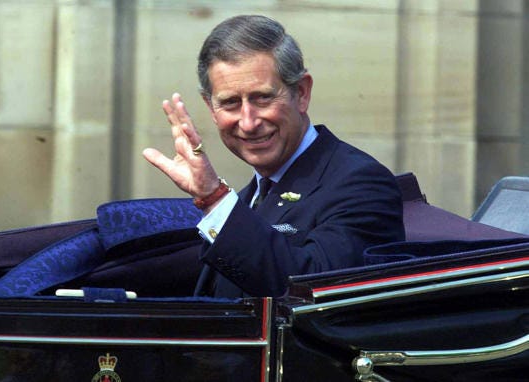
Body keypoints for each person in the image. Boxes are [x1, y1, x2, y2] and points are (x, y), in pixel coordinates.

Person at [142, 15, 405, 298]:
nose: (248, 122)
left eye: (263, 98)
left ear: (301, 93)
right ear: (211, 108)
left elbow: (310, 293)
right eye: (230, 103)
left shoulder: (361, 183)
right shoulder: (245, 199)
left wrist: (213, 198)